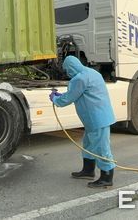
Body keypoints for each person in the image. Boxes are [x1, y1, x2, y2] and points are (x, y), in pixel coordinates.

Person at [49, 55, 116, 188]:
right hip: (96, 118)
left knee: (101, 148)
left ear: (71, 67)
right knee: (89, 145)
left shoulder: (79, 78)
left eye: (67, 70)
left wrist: (55, 99)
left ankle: (107, 177)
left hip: (97, 119)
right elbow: (79, 93)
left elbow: (70, 97)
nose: (68, 73)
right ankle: (88, 170)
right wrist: (61, 95)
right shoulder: (92, 73)